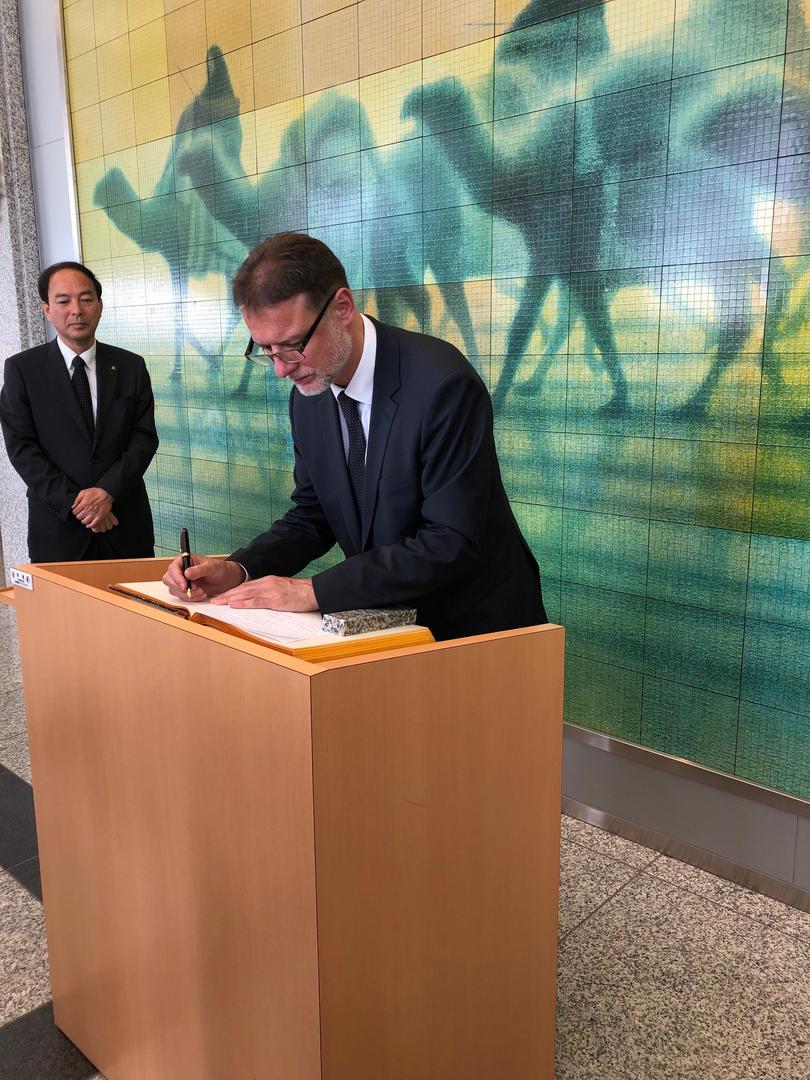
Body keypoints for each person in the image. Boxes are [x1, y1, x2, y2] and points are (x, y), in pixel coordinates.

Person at [164, 232, 545, 640]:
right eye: (266, 349)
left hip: (476, 629)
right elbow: (313, 514)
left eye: (292, 345)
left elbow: (450, 540)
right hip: (387, 626)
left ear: (342, 307)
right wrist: (238, 569)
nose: (281, 369)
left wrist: (313, 591)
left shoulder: (442, 384)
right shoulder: (309, 394)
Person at [0, 261, 159, 561]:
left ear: (100, 305)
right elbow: (21, 448)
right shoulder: (22, 370)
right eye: (63, 301)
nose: (76, 310)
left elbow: (144, 438)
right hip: (58, 531)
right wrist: (80, 505)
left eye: (86, 299)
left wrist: (107, 492)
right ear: (47, 310)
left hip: (125, 525)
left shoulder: (131, 366)